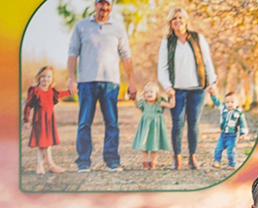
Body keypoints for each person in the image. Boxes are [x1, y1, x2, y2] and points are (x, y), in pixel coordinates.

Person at [67, 0, 134, 172]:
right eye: (101, 4)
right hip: (86, 82)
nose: (104, 8)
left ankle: (112, 160)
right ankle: (83, 161)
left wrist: (131, 80)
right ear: (95, 4)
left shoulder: (118, 28)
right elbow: (72, 52)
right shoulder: (81, 26)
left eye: (108, 5)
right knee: (84, 123)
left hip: (110, 82)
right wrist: (71, 78)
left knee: (112, 123)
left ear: (111, 7)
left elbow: (126, 55)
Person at [157, 6, 218, 169]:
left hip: (197, 89)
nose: (177, 21)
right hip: (176, 90)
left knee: (194, 124)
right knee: (177, 124)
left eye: (180, 18)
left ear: (186, 20)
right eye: (174, 19)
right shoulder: (167, 42)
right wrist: (168, 87)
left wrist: (212, 82)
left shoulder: (198, 38)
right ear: (170, 22)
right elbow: (162, 68)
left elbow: (207, 62)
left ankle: (193, 157)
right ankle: (177, 158)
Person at [23, 66, 69, 174]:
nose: (46, 79)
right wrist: (26, 120)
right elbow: (28, 106)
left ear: (52, 79)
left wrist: (72, 91)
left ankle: (44, 164)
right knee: (42, 143)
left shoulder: (52, 91)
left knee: (46, 143)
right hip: (39, 120)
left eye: (49, 77)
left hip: (49, 120)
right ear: (39, 77)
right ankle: (46, 165)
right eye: (43, 76)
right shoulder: (35, 91)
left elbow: (61, 94)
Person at [131, 81, 174, 170]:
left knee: (154, 146)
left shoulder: (159, 103)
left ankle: (152, 162)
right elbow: (136, 105)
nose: (149, 94)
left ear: (157, 94)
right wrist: (134, 98)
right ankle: (145, 162)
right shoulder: (143, 103)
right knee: (144, 145)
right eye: (146, 92)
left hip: (155, 128)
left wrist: (172, 97)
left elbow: (171, 105)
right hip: (145, 128)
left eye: (151, 92)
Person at [210, 91, 249, 169]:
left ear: (237, 103)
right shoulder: (223, 109)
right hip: (223, 134)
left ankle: (232, 164)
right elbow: (217, 102)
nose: (229, 104)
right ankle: (217, 161)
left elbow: (242, 124)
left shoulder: (238, 113)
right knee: (218, 148)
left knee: (230, 151)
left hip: (232, 136)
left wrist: (243, 133)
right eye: (227, 102)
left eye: (232, 102)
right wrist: (212, 94)